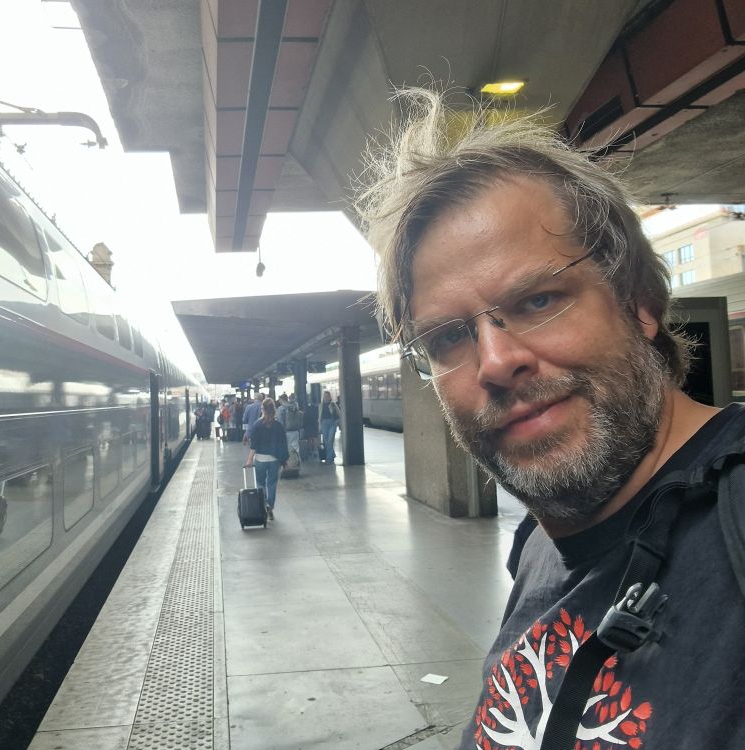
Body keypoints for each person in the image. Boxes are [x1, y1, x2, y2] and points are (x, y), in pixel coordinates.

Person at [359, 87, 745, 749]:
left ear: (640, 301)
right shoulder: (541, 548)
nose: (496, 361)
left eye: (539, 299)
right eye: (449, 338)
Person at [244, 398, 289, 521]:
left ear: (262, 409)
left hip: (260, 459)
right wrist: (284, 460)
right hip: (274, 459)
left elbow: (254, 445)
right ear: (273, 410)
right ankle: (270, 506)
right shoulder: (278, 425)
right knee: (272, 484)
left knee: (260, 483)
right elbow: (283, 444)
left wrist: (249, 460)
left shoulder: (257, 425)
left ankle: (263, 505)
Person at [319, 391, 341, 463]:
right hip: (324, 424)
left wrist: (337, 422)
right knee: (326, 441)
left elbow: (339, 413)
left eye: (327, 396)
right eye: (325, 396)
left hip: (332, 423)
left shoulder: (333, 404)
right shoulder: (321, 405)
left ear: (330, 397)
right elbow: (319, 416)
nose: (326, 397)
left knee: (330, 440)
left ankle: (329, 459)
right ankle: (332, 455)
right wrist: (319, 425)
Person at [283, 393, 304, 459]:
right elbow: (301, 421)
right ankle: (297, 460)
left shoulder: (286, 408)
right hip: (296, 429)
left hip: (288, 429)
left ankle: (291, 460)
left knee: (289, 446)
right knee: (295, 446)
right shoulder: (299, 411)